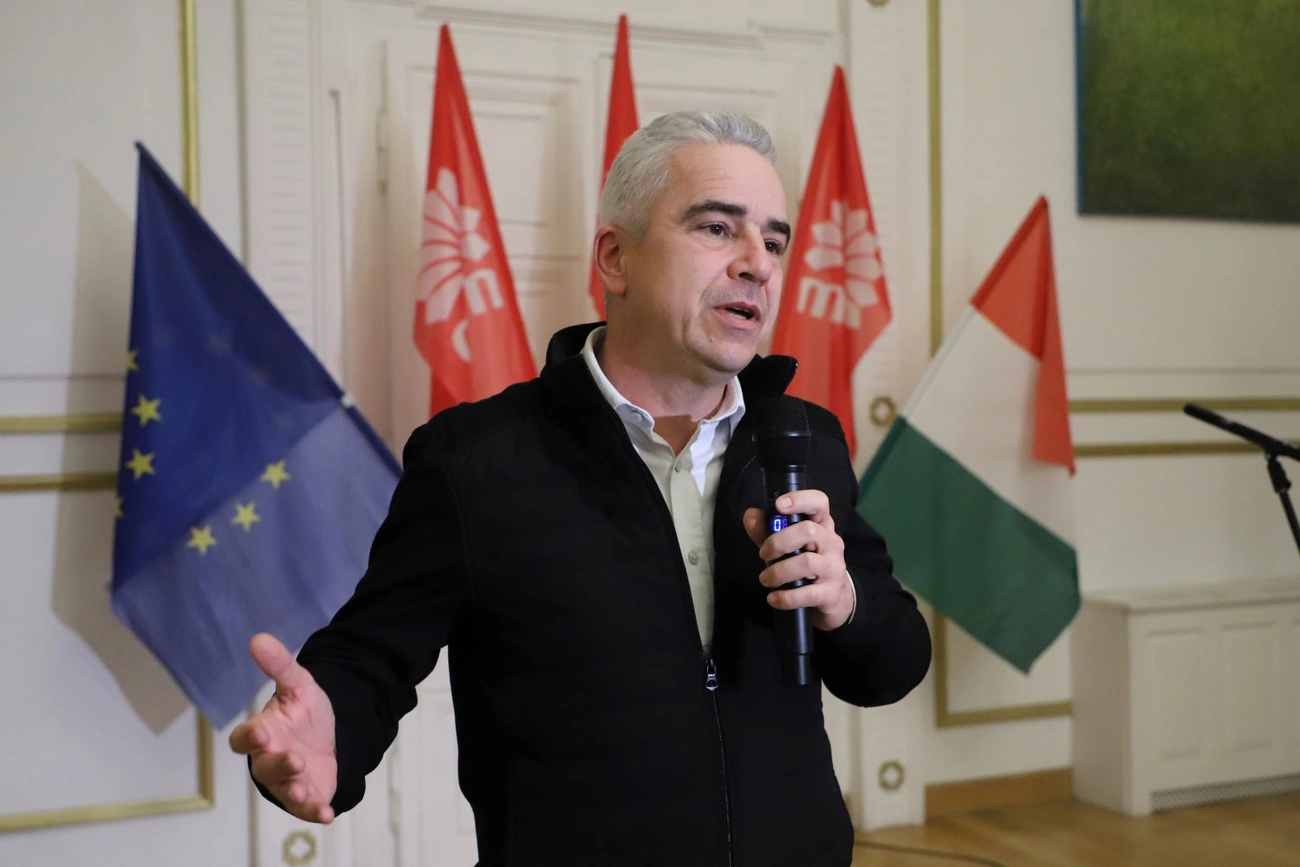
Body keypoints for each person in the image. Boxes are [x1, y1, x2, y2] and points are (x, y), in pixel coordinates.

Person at [230, 111, 931, 866]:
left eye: (774, 241)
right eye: (717, 228)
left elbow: (892, 662)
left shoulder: (803, 440)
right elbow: (372, 657)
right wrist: (327, 732)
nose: (757, 264)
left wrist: (844, 603)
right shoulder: (474, 460)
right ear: (615, 257)